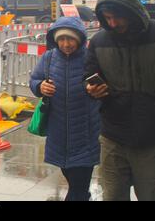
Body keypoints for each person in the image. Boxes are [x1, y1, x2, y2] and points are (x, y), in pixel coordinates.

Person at [85, 0, 155, 201]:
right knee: (112, 196)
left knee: (151, 196)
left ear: (132, 10)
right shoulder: (98, 42)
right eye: (107, 18)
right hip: (113, 135)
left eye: (117, 16)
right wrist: (91, 89)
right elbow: (88, 75)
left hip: (153, 136)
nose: (112, 23)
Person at [29, 17, 101, 201]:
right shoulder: (49, 58)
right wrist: (40, 86)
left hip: (85, 130)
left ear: (79, 39)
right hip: (58, 131)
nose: (66, 44)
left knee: (78, 187)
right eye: (61, 39)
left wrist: (96, 89)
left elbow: (105, 83)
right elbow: (35, 80)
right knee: (72, 179)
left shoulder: (90, 57)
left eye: (70, 39)